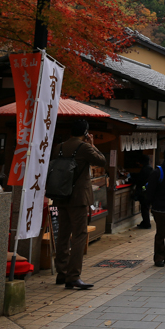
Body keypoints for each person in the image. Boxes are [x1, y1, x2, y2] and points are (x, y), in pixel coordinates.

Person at [53, 119, 107, 290]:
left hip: (61, 195)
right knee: (79, 235)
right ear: (85, 132)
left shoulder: (59, 147)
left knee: (62, 234)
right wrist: (92, 144)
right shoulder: (84, 148)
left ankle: (61, 272)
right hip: (78, 198)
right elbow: (102, 161)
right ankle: (73, 275)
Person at [133, 154, 153, 229]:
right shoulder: (150, 168)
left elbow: (140, 180)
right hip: (148, 191)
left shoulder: (145, 169)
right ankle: (145, 222)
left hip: (144, 191)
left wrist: (130, 179)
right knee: (146, 208)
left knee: (144, 208)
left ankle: (146, 223)